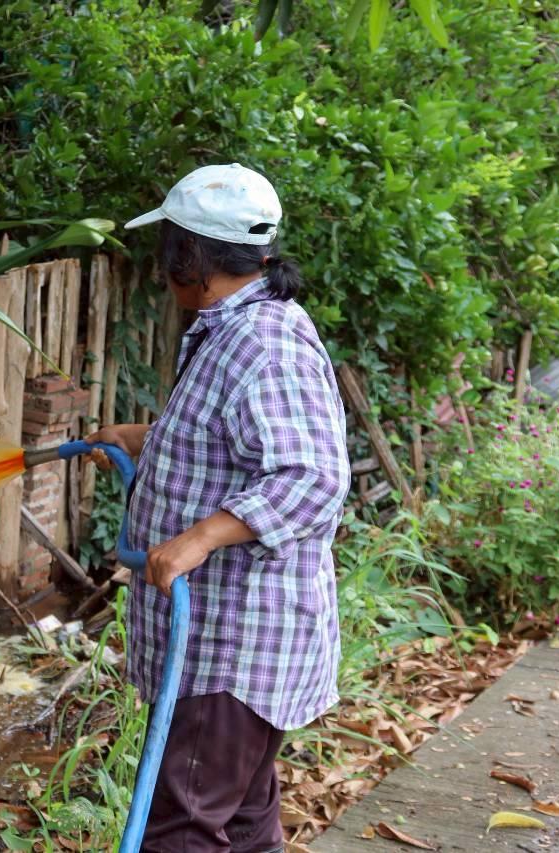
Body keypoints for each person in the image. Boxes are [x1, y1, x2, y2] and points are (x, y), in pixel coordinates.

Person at [87, 164, 350, 852]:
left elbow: (314, 475)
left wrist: (201, 537)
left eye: (166, 249)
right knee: (241, 818)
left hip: (233, 646)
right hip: (221, 644)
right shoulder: (228, 326)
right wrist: (140, 437)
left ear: (191, 257)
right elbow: (232, 438)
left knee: (182, 825)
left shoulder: (266, 342)